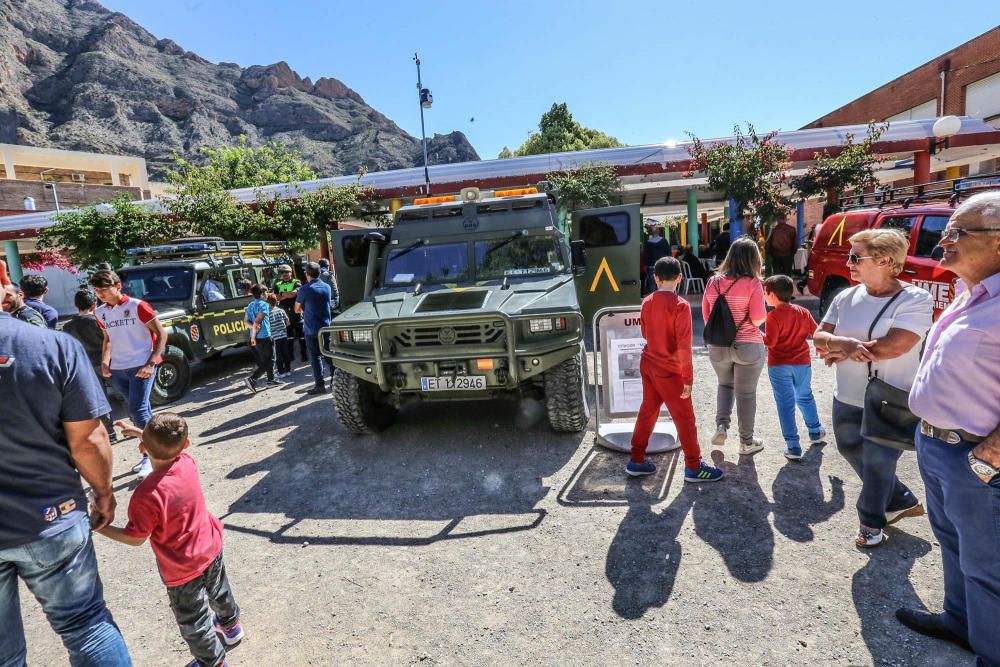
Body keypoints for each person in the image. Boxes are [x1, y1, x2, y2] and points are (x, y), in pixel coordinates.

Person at [897, 192, 1000, 663]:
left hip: (977, 457)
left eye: (958, 232)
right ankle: (960, 622)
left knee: (988, 567)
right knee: (951, 540)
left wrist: (992, 449)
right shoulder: (969, 295)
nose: (943, 242)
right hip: (937, 446)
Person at [0, 305, 132, 666]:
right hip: (51, 517)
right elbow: (88, 440)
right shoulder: (53, 346)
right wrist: (104, 492)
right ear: (2, 275)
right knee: (86, 626)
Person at [813, 229, 933, 548]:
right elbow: (819, 337)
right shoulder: (845, 297)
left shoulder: (916, 298)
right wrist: (840, 344)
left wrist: (843, 349)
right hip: (848, 394)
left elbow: (897, 345)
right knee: (849, 448)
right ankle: (901, 498)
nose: (848, 262)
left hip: (891, 397)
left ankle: (871, 522)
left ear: (884, 260)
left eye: (855, 256)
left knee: (879, 461)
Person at [96, 413, 243, 667]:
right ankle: (231, 628)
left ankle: (213, 663)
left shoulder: (145, 495)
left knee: (194, 621)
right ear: (185, 445)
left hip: (182, 569)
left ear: (143, 449)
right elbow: (168, 446)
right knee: (220, 591)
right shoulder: (187, 461)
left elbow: (135, 538)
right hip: (210, 546)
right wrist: (143, 433)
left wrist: (101, 528)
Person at [626, 257, 724, 483]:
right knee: (685, 418)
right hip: (670, 371)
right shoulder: (681, 305)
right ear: (680, 278)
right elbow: (684, 346)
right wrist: (688, 378)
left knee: (647, 411)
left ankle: (637, 459)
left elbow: (644, 334)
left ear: (655, 278)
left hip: (648, 364)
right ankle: (693, 466)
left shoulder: (647, 301)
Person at [90, 269, 167, 480]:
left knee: (138, 411)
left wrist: (151, 363)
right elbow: (108, 338)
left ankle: (152, 456)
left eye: (104, 289)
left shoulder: (137, 306)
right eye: (97, 290)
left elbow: (162, 334)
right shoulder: (100, 312)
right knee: (137, 413)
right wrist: (105, 361)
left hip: (141, 365)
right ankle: (160, 450)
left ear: (117, 286)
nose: (100, 294)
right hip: (118, 369)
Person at [702, 237, 768, 455]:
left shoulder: (713, 282)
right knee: (746, 394)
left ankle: (721, 426)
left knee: (724, 385)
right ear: (753, 260)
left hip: (718, 345)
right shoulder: (753, 283)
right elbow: (758, 318)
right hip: (748, 345)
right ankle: (746, 442)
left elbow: (707, 315)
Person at [762, 275, 826, 460]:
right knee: (805, 396)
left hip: (779, 365)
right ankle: (815, 431)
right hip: (802, 363)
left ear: (772, 294)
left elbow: (771, 343)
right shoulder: (802, 312)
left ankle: (793, 446)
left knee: (785, 405)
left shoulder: (772, 316)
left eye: (764, 293)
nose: (764, 296)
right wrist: (822, 348)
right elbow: (816, 333)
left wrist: (758, 334)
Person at [62, 288, 118, 443]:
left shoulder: (68, 327)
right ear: (95, 304)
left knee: (101, 400)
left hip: (86, 367)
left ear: (76, 305)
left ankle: (110, 433)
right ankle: (135, 425)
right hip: (108, 362)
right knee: (124, 393)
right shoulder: (98, 322)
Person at [295, 262, 332, 395]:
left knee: (315, 358)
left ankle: (320, 386)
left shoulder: (305, 289)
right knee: (329, 356)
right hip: (326, 327)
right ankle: (335, 381)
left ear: (306, 274)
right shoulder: (327, 287)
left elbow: (296, 309)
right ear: (320, 273)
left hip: (311, 329)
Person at [244, 283, 277, 393]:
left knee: (266, 359)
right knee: (270, 359)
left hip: (256, 337)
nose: (267, 294)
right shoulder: (264, 305)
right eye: (266, 292)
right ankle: (253, 378)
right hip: (264, 336)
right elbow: (257, 322)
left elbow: (246, 322)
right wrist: (254, 333)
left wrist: (253, 333)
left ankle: (271, 379)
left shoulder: (250, 305)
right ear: (262, 293)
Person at [273, 264, 306, 362]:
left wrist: (282, 294)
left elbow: (293, 294)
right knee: (289, 337)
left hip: (297, 312)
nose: (285, 274)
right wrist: (287, 294)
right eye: (282, 272)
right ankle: (290, 356)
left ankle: (304, 355)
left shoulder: (297, 282)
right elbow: (276, 297)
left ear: (291, 272)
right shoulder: (277, 284)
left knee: (301, 336)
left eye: (287, 272)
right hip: (285, 313)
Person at [268, 292, 292, 378]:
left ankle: (281, 372)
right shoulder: (281, 310)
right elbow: (288, 323)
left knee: (278, 355)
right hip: (284, 335)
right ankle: (288, 370)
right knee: (286, 353)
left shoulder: (267, 313)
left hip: (275, 337)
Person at [644, 226, 671, 293]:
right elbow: (668, 253)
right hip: (663, 265)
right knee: (663, 282)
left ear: (651, 233)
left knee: (652, 283)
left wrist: (646, 264)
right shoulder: (664, 241)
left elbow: (646, 255)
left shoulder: (648, 243)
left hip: (652, 266)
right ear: (659, 232)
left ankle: (654, 299)